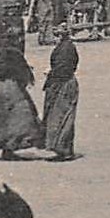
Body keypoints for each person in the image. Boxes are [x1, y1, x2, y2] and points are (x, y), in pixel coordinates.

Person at [0, 46, 44, 159]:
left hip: (6, 86)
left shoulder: (3, 52)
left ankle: (2, 145)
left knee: (0, 117)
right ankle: (11, 145)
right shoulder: (9, 52)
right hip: (11, 86)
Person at [42, 30, 80, 161]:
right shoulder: (67, 47)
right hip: (65, 82)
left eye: (56, 36)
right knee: (63, 116)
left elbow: (63, 69)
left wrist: (51, 73)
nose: (54, 39)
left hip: (64, 84)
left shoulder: (65, 49)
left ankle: (63, 150)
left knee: (61, 117)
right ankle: (63, 149)